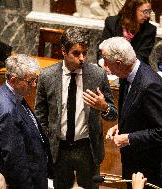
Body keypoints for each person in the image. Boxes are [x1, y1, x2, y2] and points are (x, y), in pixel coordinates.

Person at [35, 28, 117, 189]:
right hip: (60, 149)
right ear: (63, 52)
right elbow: (40, 115)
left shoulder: (98, 75)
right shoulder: (47, 76)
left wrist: (104, 107)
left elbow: (113, 114)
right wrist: (47, 142)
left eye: (85, 53)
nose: (82, 58)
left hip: (87, 148)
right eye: (76, 53)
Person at [102, 37, 162, 188]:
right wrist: (121, 126)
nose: (104, 66)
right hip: (132, 161)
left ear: (118, 64)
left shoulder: (151, 85)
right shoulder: (125, 75)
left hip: (148, 167)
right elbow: (135, 112)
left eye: (105, 61)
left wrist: (128, 138)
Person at [0, 54, 52, 189]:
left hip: (34, 171)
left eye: (35, 79)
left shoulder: (10, 93)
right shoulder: (7, 110)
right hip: (26, 181)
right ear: (13, 80)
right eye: (30, 81)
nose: (34, 85)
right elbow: (15, 161)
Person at [98, 0, 156, 66]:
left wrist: (120, 68)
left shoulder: (149, 30)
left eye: (149, 12)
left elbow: (142, 57)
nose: (148, 15)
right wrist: (104, 64)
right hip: (110, 68)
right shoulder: (112, 23)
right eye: (145, 12)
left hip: (135, 70)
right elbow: (102, 50)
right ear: (132, 10)